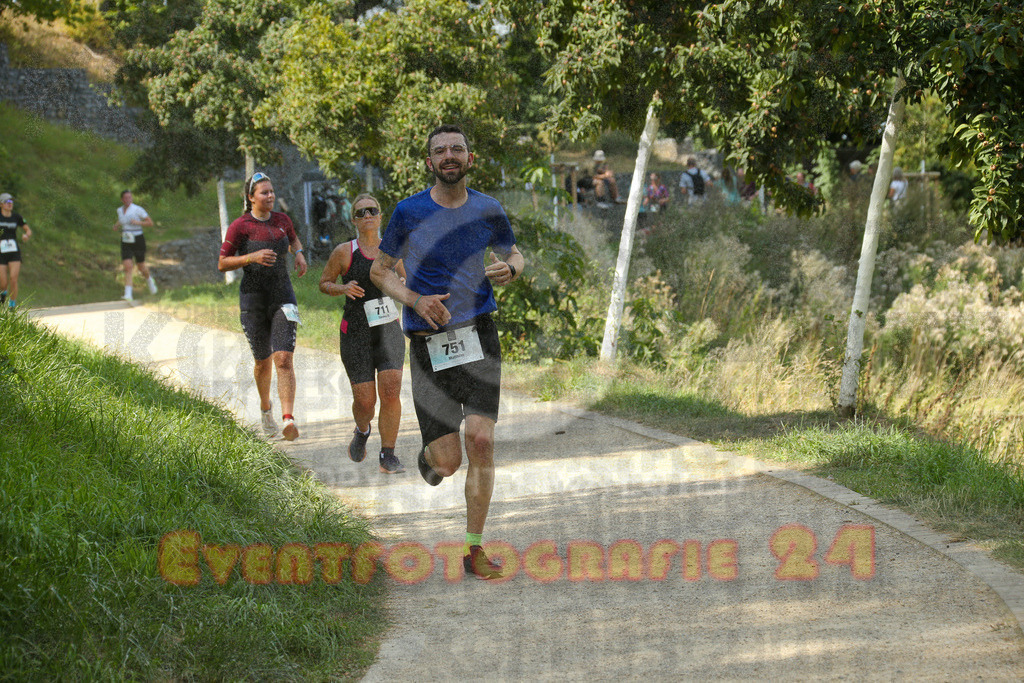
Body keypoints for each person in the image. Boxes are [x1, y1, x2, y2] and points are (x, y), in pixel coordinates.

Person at [370, 124, 525, 580]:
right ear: (429, 163)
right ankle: (430, 456)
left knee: (481, 440)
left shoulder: (487, 208)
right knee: (449, 462)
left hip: (478, 335)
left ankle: (473, 551)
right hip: (426, 344)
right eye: (440, 150)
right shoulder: (408, 211)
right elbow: (381, 271)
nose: (449, 155)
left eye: (457, 148)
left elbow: (515, 254)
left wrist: (510, 269)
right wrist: (416, 301)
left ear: (469, 158)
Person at [320, 194, 407, 474]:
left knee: (391, 391)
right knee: (366, 401)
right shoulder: (344, 252)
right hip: (356, 333)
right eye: (361, 212)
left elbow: (406, 282)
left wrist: (402, 282)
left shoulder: (392, 251)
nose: (367, 215)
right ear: (354, 220)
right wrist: (342, 288)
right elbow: (324, 283)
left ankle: (388, 454)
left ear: (381, 216)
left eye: (373, 210)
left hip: (388, 330)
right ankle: (362, 429)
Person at [218, 172, 308, 441]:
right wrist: (252, 257)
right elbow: (222, 263)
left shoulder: (282, 220)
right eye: (264, 193)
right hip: (253, 300)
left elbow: (293, 239)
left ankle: (288, 419)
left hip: (283, 297)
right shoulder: (240, 226)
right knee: (262, 361)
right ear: (251, 198)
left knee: (283, 359)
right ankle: (266, 408)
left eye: (272, 191)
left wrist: (300, 254)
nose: (270, 196)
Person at [112, 190, 158, 302]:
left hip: (138, 239)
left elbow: (150, 222)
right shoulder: (119, 210)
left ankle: (150, 281)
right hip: (126, 239)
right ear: (122, 199)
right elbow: (122, 220)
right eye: (126, 198)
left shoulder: (138, 209)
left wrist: (138, 223)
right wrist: (116, 225)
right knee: (127, 266)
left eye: (130, 197)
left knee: (141, 266)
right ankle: (128, 294)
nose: (128, 200)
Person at [0, 193, 32, 309]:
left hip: (14, 252)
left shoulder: (16, 217)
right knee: (3, 283)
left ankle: (12, 304)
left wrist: (26, 236)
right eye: (8, 202)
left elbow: (28, 230)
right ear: (1, 204)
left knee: (13, 278)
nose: (10, 205)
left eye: (11, 202)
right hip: (1, 253)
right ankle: (3, 293)